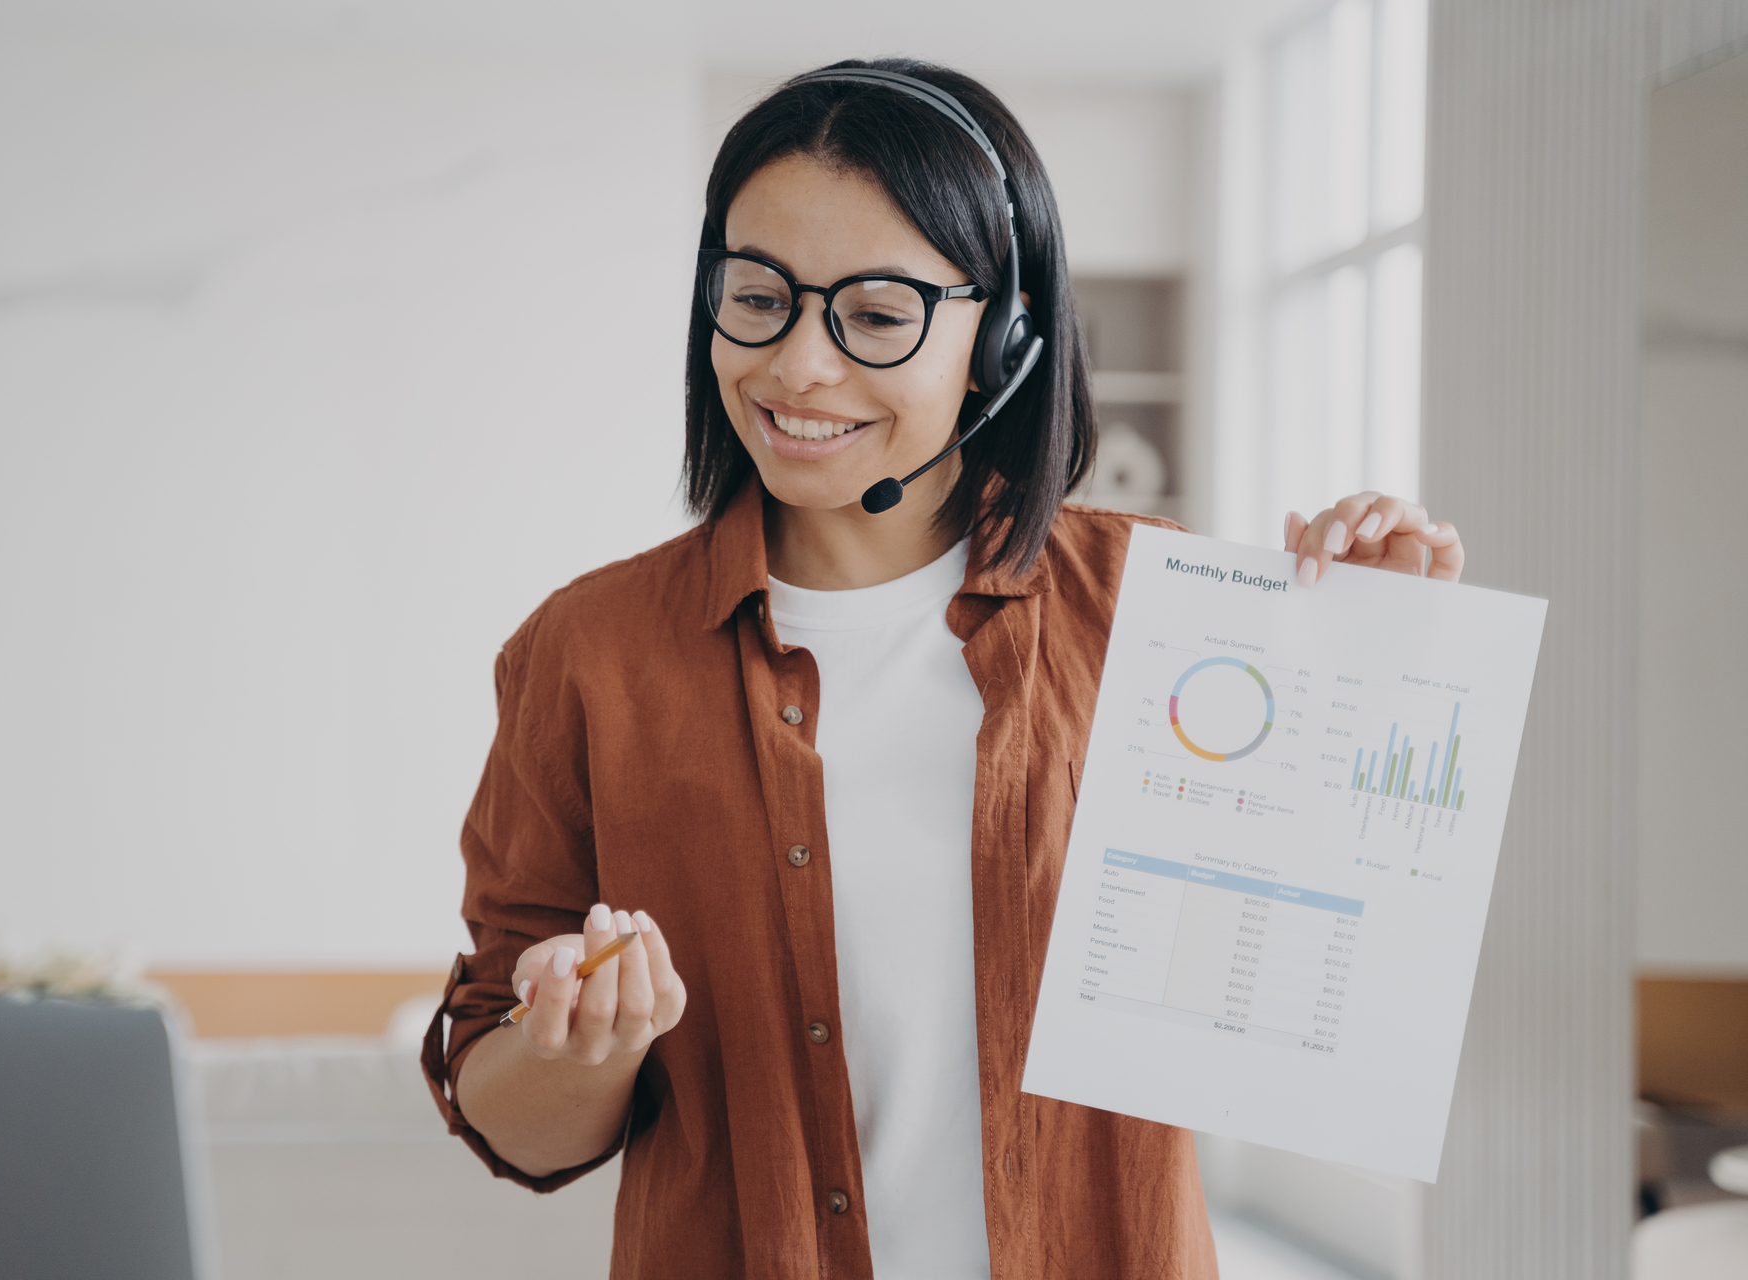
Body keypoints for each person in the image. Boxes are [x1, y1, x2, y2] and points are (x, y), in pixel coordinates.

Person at [422, 58, 1465, 1279]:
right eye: (756, 296)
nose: (798, 366)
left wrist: (1376, 670)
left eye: (874, 315)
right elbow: (512, 1116)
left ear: (1004, 337)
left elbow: (1311, 988)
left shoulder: (1157, 614)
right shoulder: (588, 653)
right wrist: (574, 1045)